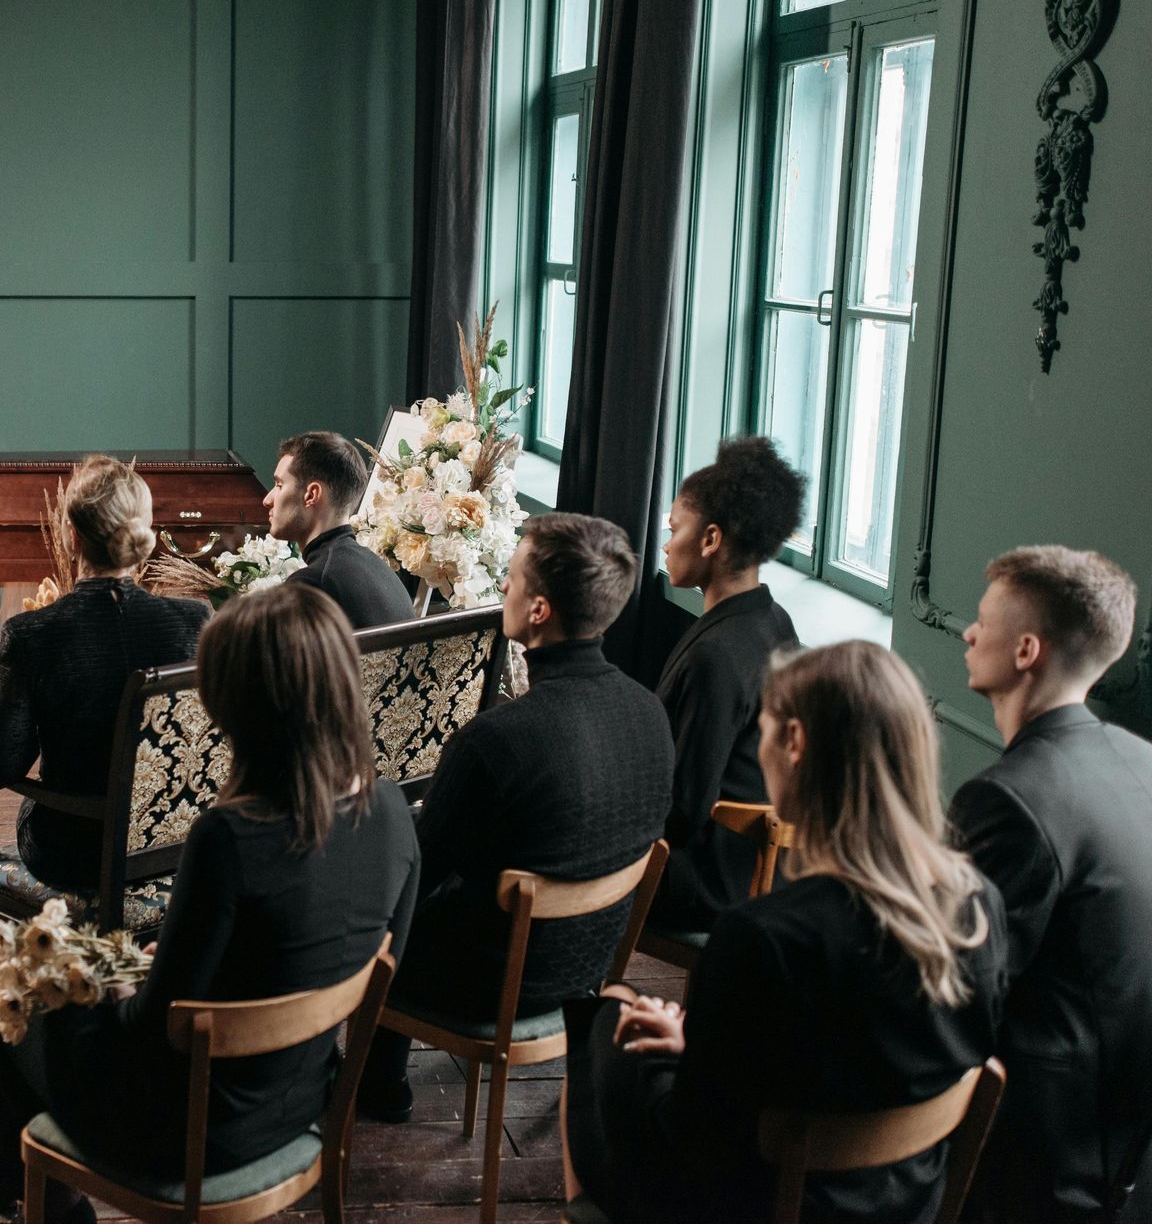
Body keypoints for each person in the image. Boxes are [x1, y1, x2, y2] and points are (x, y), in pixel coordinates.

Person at [0, 584, 421, 1222]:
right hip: (301, 1097)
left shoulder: (230, 838)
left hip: (195, 1130)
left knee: (8, 999)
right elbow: (380, 969)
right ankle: (32, 1186)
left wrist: (123, 988)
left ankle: (39, 1196)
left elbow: (152, 1029)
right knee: (79, 968)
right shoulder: (392, 811)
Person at [563, 641, 1008, 1224]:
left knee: (607, 1026)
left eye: (763, 728)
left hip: (752, 1206)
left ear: (795, 743)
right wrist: (697, 1052)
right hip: (903, 1204)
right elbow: (849, 1067)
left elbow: (695, 1152)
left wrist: (651, 1052)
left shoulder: (762, 937)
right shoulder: (978, 908)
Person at [357, 513, 674, 1122]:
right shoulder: (649, 712)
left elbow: (411, 880)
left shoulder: (496, 740)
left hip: (496, 983)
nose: (503, 587)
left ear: (538, 611)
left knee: (382, 890)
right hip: (588, 969)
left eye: (510, 578)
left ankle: (375, 1087)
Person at [951, 546, 1152, 1224]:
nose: (968, 633)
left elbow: (952, 991)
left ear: (1026, 650)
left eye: (983, 622)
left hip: (1031, 1150)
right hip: (1127, 1143)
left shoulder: (1008, 800)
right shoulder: (1142, 761)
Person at [0, 455, 209, 892]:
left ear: (71, 538)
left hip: (73, 853)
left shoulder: (31, 634)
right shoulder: (195, 620)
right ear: (144, 533)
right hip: (173, 845)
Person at [651, 436, 805, 930]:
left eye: (674, 528)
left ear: (711, 540)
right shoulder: (775, 620)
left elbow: (684, 808)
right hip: (770, 868)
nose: (666, 541)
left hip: (714, 880)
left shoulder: (715, 656)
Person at [263, 430, 415, 628]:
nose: (267, 500)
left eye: (279, 485)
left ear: (311, 495)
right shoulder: (382, 571)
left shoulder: (311, 586)